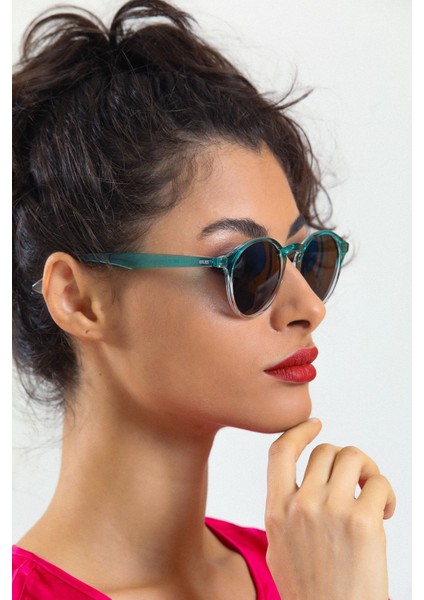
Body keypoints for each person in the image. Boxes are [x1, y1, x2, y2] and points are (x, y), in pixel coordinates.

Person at [12, 1, 396, 598]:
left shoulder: (308, 565)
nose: (309, 308)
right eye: (250, 266)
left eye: (308, 257)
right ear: (79, 300)